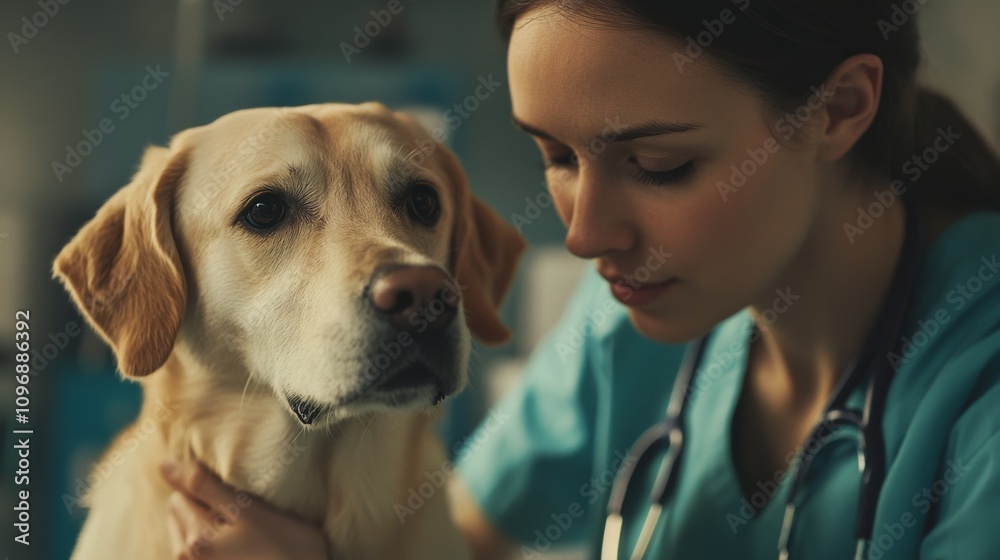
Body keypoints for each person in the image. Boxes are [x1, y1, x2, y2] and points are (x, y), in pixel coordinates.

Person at [160, 1, 1000, 558]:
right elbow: (462, 543)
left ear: (839, 107)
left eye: (656, 163)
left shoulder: (977, 389)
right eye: (557, 157)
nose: (584, 233)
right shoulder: (626, 321)